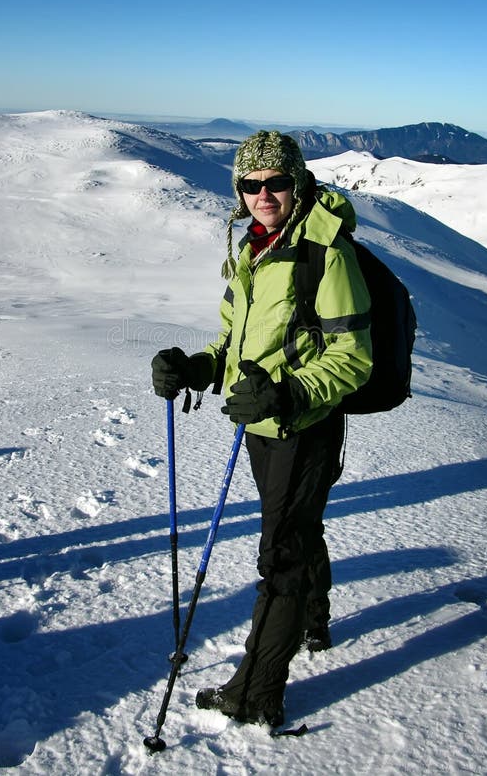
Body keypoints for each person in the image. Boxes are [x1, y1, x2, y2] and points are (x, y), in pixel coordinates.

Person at [151, 130, 373, 728]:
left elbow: (353, 355)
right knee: (295, 530)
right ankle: (313, 618)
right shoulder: (252, 248)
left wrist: (287, 392)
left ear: (296, 182)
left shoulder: (325, 253)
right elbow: (234, 342)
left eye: (275, 182)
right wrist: (194, 368)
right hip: (261, 423)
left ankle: (256, 693)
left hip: (305, 426)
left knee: (280, 555)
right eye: (250, 184)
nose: (262, 193)